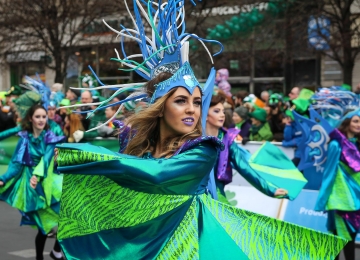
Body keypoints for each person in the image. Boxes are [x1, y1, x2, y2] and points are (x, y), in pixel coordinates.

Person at [54, 1, 345, 259]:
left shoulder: (205, 149)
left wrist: (76, 158)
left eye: (197, 102)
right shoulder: (138, 144)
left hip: (186, 242)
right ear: (160, 107)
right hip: (146, 239)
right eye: (181, 101)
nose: (193, 110)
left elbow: (157, 175)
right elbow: (125, 190)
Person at [0, 101, 65, 260]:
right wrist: (3, 179)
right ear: (31, 119)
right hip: (31, 185)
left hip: (48, 180)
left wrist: (38, 175)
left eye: (44, 116)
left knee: (67, 216)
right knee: (43, 228)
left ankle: (56, 251)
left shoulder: (50, 136)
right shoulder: (24, 139)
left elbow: (48, 158)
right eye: (38, 117)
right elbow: (16, 163)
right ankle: (40, 257)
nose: (42, 120)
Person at [206, 95, 289, 203]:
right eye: (217, 111)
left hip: (216, 197)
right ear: (205, 115)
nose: (222, 115)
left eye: (223, 111)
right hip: (190, 197)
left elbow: (245, 167)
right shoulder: (192, 139)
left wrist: (271, 189)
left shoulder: (227, 139)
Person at [314, 110, 360, 260]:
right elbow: (329, 173)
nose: (359, 124)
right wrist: (323, 200)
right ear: (346, 122)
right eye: (355, 121)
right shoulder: (336, 145)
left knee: (350, 238)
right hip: (340, 200)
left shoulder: (358, 144)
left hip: (356, 200)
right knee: (340, 238)